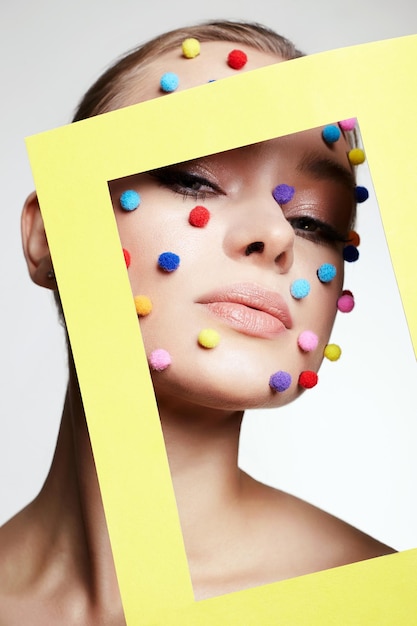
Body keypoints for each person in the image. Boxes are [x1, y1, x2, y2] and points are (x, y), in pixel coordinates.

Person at [0, 20, 395, 625]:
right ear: (50, 232)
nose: (275, 234)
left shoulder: (384, 605)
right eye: (194, 179)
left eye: (316, 221)